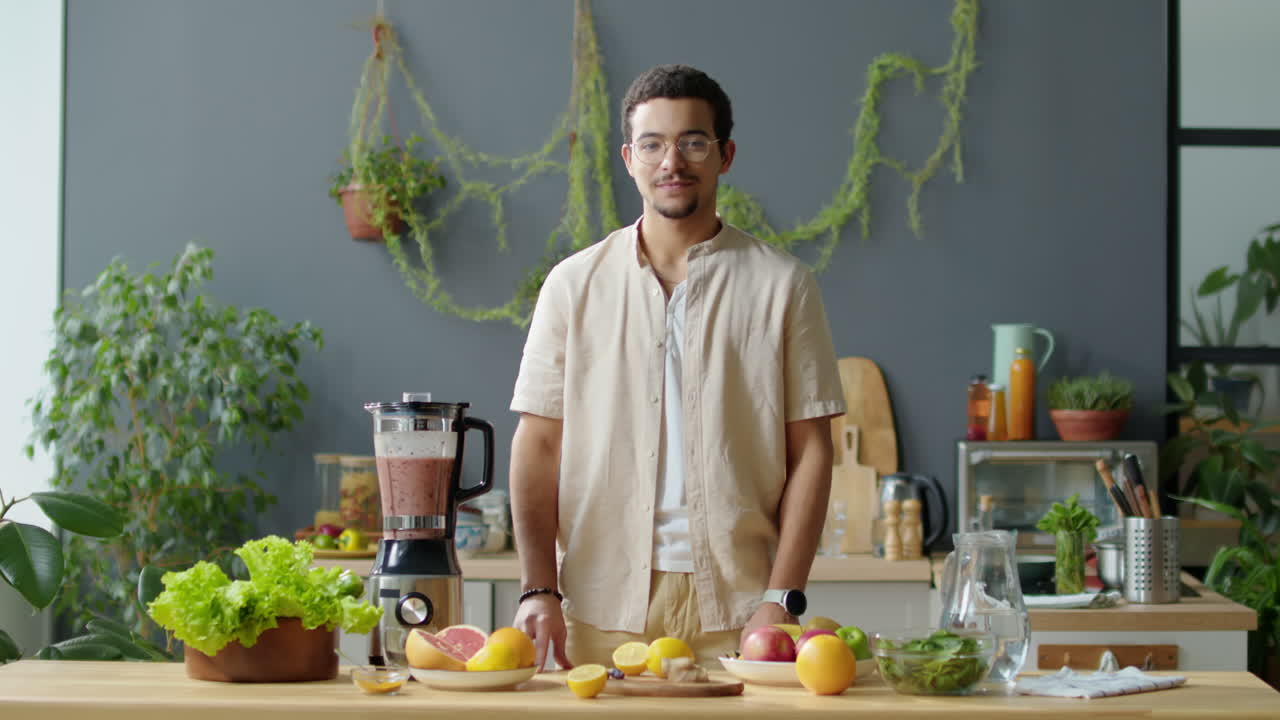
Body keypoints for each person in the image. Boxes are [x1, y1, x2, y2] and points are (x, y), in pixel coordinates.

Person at [508, 64, 845, 672]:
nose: (672, 162)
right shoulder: (572, 286)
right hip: (598, 607)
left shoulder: (784, 286)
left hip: (741, 611)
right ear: (629, 158)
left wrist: (781, 596)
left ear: (725, 155)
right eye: (652, 144)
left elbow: (812, 452)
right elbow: (538, 446)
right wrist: (538, 588)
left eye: (693, 142)